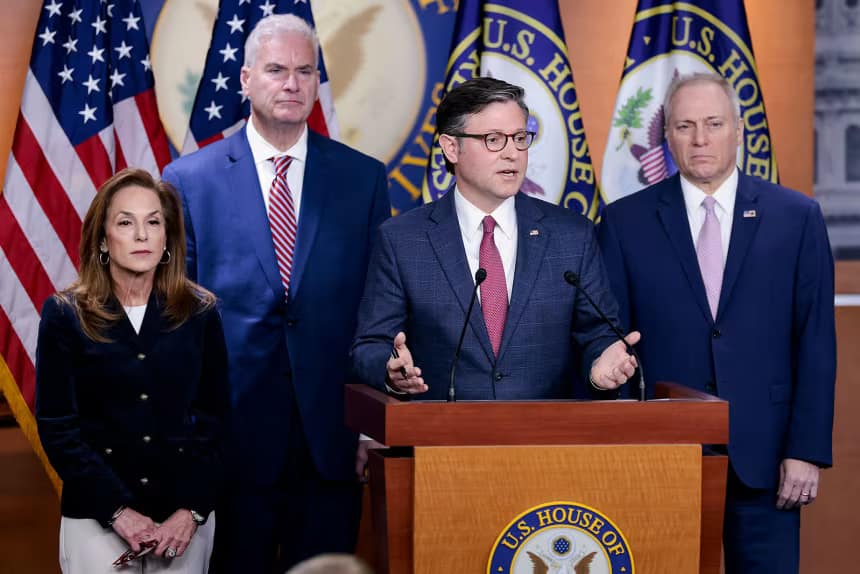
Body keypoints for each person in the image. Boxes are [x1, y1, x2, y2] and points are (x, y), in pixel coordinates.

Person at [161, 14, 390, 572]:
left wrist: (372, 427)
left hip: (333, 442)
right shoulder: (189, 180)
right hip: (231, 446)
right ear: (245, 79)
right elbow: (177, 325)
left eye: (305, 71)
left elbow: (379, 310)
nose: (292, 84)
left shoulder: (362, 178)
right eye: (276, 70)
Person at [597, 73, 836, 573]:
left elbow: (815, 343)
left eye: (713, 124)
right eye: (685, 126)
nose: (700, 139)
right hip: (663, 457)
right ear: (667, 136)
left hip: (768, 458)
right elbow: (609, 340)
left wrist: (806, 451)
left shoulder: (796, 217)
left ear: (738, 129)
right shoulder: (624, 223)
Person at [351, 77, 638, 400]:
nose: (512, 153)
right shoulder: (402, 239)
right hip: (442, 429)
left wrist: (601, 367)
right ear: (451, 147)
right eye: (494, 140)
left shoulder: (572, 235)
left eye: (520, 138)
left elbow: (598, 334)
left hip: (546, 429)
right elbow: (370, 344)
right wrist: (390, 370)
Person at [35, 168, 229, 574]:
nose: (142, 235)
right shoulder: (65, 315)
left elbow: (216, 422)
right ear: (103, 240)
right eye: (126, 223)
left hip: (183, 521)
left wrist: (191, 511)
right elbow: (58, 427)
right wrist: (117, 512)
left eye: (153, 222)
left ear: (167, 238)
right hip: (96, 517)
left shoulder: (200, 312)